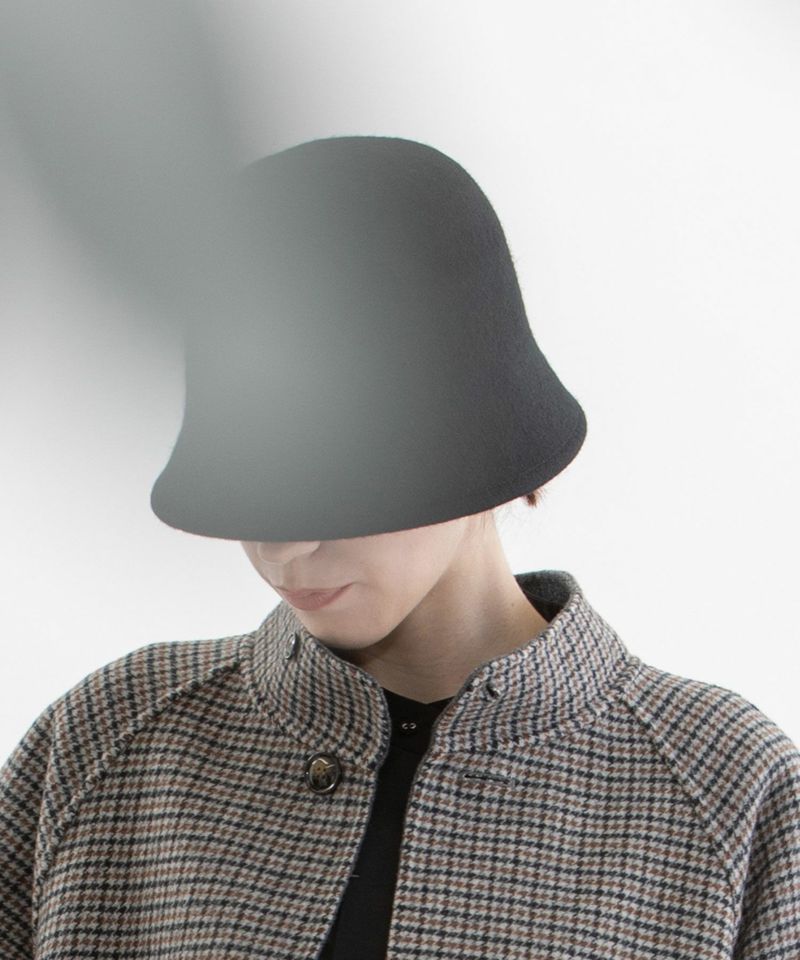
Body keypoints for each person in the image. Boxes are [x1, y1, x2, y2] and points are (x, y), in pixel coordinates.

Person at [1, 135, 798, 959]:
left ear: (473, 433)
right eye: (247, 486)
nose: (286, 548)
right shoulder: (110, 745)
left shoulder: (730, 796)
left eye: (338, 487)